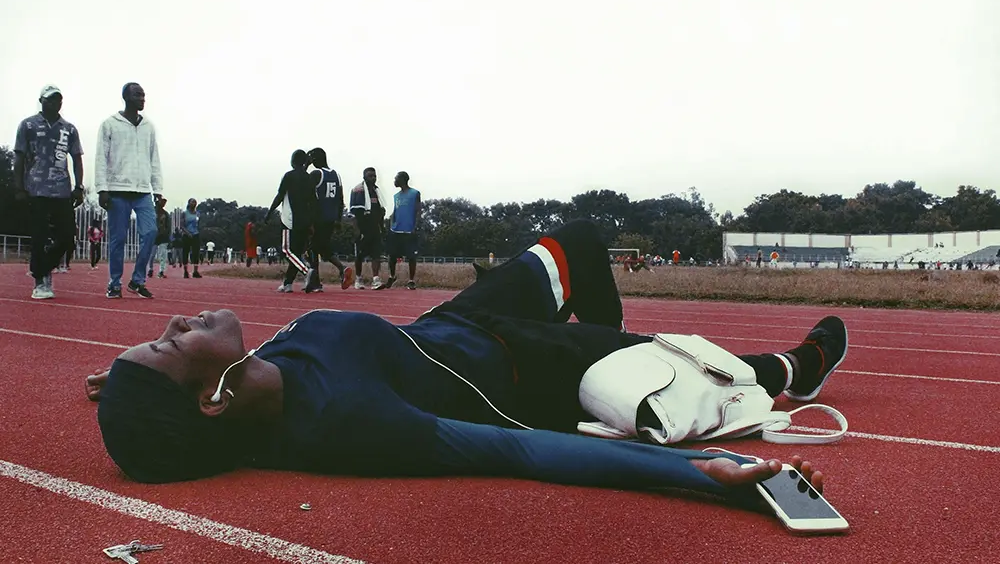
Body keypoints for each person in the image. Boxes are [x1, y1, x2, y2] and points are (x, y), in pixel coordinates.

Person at [87, 220, 843, 505]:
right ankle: (782, 372)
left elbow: (175, 410)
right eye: (169, 342)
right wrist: (693, 476)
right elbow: (518, 450)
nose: (177, 320)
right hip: (525, 369)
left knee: (577, 242)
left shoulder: (246, 380)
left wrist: (126, 386)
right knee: (672, 363)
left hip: (454, 325)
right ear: (211, 399)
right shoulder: (351, 423)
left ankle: (629, 363)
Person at [13, 85, 85, 299]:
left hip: (62, 190)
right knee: (39, 236)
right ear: (41, 101)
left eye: (59, 100)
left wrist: (79, 186)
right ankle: (41, 282)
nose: (55, 103)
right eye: (51, 99)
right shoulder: (28, 125)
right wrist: (19, 187)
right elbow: (19, 157)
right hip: (36, 189)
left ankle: (40, 267)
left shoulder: (69, 129)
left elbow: (77, 158)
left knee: (67, 238)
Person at [95, 83, 163, 299]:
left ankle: (137, 280)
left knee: (151, 232)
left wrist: (158, 189)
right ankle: (114, 283)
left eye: (143, 95)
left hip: (143, 191)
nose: (143, 99)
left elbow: (154, 160)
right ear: (125, 97)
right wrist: (101, 188)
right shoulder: (109, 124)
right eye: (138, 95)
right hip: (117, 189)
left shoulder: (148, 127)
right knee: (118, 239)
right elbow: (100, 158)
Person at [264, 149, 316, 293]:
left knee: (287, 251)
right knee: (296, 253)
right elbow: (313, 201)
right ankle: (288, 283)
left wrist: (269, 212)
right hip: (305, 220)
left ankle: (307, 271)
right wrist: (311, 222)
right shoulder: (309, 178)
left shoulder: (289, 176)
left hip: (290, 219)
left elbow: (280, 195)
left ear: (292, 161)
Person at [304, 147, 353, 292]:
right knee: (323, 248)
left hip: (318, 217)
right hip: (331, 218)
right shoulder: (336, 175)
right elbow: (340, 199)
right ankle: (341, 269)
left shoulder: (315, 174)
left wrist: (310, 221)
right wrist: (338, 219)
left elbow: (307, 194)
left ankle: (316, 281)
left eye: (312, 158)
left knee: (313, 249)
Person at [349, 167, 386, 289]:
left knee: (376, 254)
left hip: (374, 227)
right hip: (363, 227)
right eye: (370, 176)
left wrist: (382, 227)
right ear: (364, 176)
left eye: (375, 176)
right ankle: (358, 278)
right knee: (360, 255)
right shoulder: (358, 190)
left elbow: (380, 211)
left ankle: (375, 279)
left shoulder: (376, 191)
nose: (373, 178)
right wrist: (357, 230)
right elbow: (354, 214)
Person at [385, 171, 421, 290]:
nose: (394, 181)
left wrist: (416, 226)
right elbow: (395, 211)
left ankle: (411, 280)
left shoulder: (414, 193)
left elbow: (418, 210)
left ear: (402, 179)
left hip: (409, 229)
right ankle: (392, 276)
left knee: (411, 256)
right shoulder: (396, 196)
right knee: (392, 255)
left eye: (396, 178)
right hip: (396, 230)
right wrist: (391, 225)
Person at [149, 197, 171, 279]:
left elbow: (168, 226)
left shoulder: (166, 214)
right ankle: (150, 269)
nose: (164, 204)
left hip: (163, 237)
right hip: (154, 236)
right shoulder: (151, 211)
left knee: (163, 255)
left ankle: (161, 271)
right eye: (162, 202)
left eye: (165, 202)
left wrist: (168, 235)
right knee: (152, 254)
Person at [181, 199, 203, 279]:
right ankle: (185, 271)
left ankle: (195, 271)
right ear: (189, 203)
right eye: (192, 202)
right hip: (187, 235)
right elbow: (182, 225)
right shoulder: (184, 213)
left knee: (196, 252)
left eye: (195, 202)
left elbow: (199, 224)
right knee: (185, 252)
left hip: (196, 234)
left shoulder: (197, 214)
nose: (194, 203)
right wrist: (187, 233)